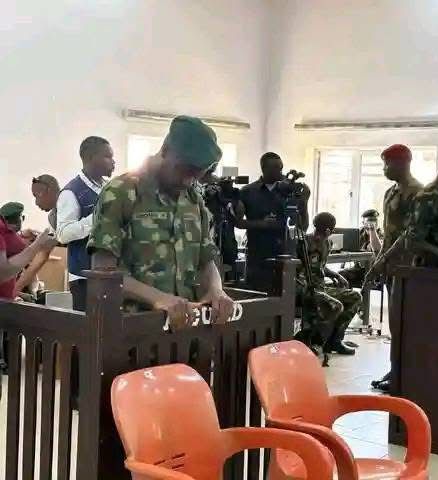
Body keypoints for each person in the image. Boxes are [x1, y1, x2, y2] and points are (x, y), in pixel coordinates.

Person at [88, 115, 234, 329]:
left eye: (196, 176)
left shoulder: (193, 199)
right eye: (183, 171)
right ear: (165, 150)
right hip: (133, 329)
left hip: (184, 329)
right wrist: (158, 299)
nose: (188, 181)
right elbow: (103, 271)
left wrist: (216, 289)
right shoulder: (122, 192)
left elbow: (206, 259)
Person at [364, 144, 422, 392]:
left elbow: (408, 235)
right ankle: (395, 370)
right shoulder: (391, 192)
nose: (384, 169)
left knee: (406, 324)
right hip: (390, 265)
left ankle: (404, 373)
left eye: (387, 164)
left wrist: (383, 260)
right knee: (394, 323)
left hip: (408, 268)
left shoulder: (417, 192)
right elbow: (388, 234)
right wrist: (379, 260)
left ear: (402, 162)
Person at [56, 136, 115, 311]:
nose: (113, 162)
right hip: (84, 279)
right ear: (90, 158)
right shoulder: (71, 192)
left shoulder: (108, 188)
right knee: (89, 327)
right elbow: (63, 234)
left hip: (108, 274)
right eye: (108, 157)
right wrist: (96, 219)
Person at [236, 152, 309, 290]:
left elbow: (303, 227)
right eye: (276, 168)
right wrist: (262, 224)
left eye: (281, 167)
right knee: (257, 294)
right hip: (258, 257)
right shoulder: (247, 192)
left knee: (286, 296)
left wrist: (304, 201)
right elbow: (238, 222)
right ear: (264, 168)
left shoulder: (289, 192)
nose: (280, 171)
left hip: (285, 256)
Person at [298, 212, 362, 356]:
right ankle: (315, 342)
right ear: (328, 231)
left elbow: (320, 267)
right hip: (307, 288)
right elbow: (299, 270)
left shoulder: (327, 244)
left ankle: (335, 341)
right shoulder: (303, 243)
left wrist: (336, 275)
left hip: (321, 287)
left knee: (355, 297)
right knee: (336, 306)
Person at [339, 209, 383, 288]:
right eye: (369, 220)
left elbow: (378, 250)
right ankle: (348, 294)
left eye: (374, 220)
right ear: (363, 223)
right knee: (340, 275)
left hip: (374, 271)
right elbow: (349, 247)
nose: (372, 223)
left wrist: (372, 230)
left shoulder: (381, 234)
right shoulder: (358, 233)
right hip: (359, 269)